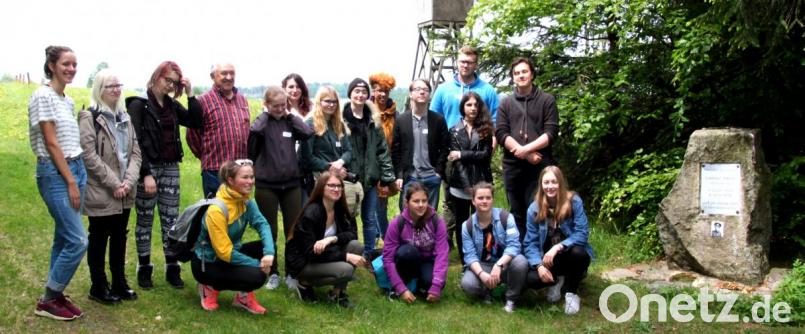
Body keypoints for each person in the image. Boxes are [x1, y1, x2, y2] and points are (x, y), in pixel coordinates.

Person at [128, 61, 203, 289]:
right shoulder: (139, 104)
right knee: (145, 219)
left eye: (174, 82)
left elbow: (195, 121)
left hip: (170, 167)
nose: (169, 85)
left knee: (171, 220)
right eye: (166, 79)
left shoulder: (171, 105)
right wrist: (145, 174)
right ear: (156, 76)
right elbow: (135, 142)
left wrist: (190, 94)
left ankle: (172, 268)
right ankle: (144, 269)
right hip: (148, 168)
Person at [29, 45, 88, 321]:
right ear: (51, 65)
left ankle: (55, 293)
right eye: (66, 64)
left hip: (76, 167)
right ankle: (48, 299)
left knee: (63, 237)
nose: (71, 69)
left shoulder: (67, 100)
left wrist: (78, 175)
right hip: (56, 172)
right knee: (78, 240)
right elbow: (52, 144)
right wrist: (71, 182)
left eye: (74, 64)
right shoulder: (43, 96)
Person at [79, 69, 142, 304]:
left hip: (125, 190)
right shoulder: (89, 117)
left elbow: (135, 152)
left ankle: (119, 281)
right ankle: (98, 285)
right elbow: (89, 155)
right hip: (102, 190)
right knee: (99, 236)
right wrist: (115, 183)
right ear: (99, 89)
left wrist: (128, 181)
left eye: (118, 85)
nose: (116, 89)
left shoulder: (125, 117)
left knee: (119, 236)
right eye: (110, 86)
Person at [430, 45, 500, 251]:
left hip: (479, 154)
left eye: (469, 62)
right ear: (457, 62)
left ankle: (482, 245)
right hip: (451, 154)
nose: (465, 65)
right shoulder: (444, 89)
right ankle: (448, 242)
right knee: (451, 201)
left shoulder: (486, 90)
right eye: (462, 61)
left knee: (480, 203)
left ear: (476, 64)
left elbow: (495, 122)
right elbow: (435, 119)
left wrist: (489, 150)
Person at [247, 86, 313, 290]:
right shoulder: (263, 123)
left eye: (282, 105)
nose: (279, 109)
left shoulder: (289, 122)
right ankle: (273, 271)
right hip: (267, 185)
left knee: (293, 229)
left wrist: (290, 115)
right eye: (275, 106)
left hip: (291, 184)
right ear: (266, 105)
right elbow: (254, 131)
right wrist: (266, 114)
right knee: (270, 229)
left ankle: (292, 272)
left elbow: (307, 132)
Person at [192, 160, 274, 314]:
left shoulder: (245, 200)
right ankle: (207, 286)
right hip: (208, 263)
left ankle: (243, 297)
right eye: (245, 177)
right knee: (258, 276)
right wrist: (257, 264)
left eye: (252, 177)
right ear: (230, 180)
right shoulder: (216, 210)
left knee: (266, 248)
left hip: (229, 256)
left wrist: (269, 253)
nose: (250, 182)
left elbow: (263, 224)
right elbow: (224, 252)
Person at [496, 57, 559, 242]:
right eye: (516, 73)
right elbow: (501, 133)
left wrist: (527, 150)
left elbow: (551, 132)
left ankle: (540, 255)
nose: (521, 75)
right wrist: (525, 153)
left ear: (532, 73)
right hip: (513, 167)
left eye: (524, 71)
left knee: (538, 210)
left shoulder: (546, 100)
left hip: (539, 167)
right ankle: (520, 256)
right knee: (517, 213)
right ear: (512, 77)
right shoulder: (505, 103)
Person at [285, 172, 365, 308]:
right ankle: (303, 283)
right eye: (331, 186)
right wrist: (345, 256)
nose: (337, 189)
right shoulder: (311, 213)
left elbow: (352, 234)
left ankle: (337, 294)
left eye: (339, 186)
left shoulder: (338, 208)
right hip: (304, 262)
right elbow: (310, 253)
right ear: (322, 188)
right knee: (345, 269)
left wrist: (332, 239)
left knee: (356, 246)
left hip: (325, 253)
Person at [523, 166, 594, 315]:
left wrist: (557, 247)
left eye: (554, 182)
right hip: (548, 259)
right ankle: (556, 281)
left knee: (579, 253)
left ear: (560, 183)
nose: (550, 186)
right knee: (531, 279)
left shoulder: (574, 201)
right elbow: (530, 243)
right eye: (546, 182)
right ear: (541, 185)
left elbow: (582, 233)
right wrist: (538, 266)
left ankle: (572, 292)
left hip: (570, 254)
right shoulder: (534, 208)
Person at [342, 78, 395, 257]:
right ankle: (353, 252)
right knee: (349, 218)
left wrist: (387, 177)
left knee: (369, 218)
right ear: (350, 94)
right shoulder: (341, 120)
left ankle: (370, 253)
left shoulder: (373, 120)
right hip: (349, 178)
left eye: (364, 91)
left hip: (371, 178)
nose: (360, 95)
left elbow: (382, 151)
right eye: (356, 91)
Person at [460, 182, 527, 313]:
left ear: (492, 200)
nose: (484, 201)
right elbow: (469, 256)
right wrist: (482, 274)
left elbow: (514, 245)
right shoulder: (466, 226)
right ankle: (486, 291)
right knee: (468, 284)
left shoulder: (506, 217)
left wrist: (499, 265)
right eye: (480, 198)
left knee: (521, 262)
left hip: (505, 263)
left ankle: (511, 298)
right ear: (473, 201)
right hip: (483, 264)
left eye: (488, 198)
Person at [187, 63, 251, 198]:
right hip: (214, 171)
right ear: (213, 76)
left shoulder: (243, 100)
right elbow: (192, 136)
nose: (229, 77)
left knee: (240, 213)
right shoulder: (203, 101)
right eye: (224, 73)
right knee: (217, 213)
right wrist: (206, 156)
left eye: (232, 73)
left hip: (240, 170)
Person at [382, 183, 449, 304]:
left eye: (424, 201)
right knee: (407, 252)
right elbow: (388, 259)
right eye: (416, 201)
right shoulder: (397, 223)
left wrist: (436, 285)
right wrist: (401, 289)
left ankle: (418, 285)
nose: (421, 205)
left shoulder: (437, 222)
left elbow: (442, 254)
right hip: (406, 260)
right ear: (407, 203)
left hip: (427, 261)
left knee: (431, 283)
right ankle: (399, 286)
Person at [447, 92, 494, 264]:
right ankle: (465, 258)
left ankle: (482, 254)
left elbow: (485, 155)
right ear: (463, 107)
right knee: (461, 223)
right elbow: (455, 161)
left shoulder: (486, 130)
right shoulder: (454, 130)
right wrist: (467, 185)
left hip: (482, 182)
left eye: (475, 105)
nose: (473, 108)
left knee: (482, 221)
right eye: (469, 105)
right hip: (460, 184)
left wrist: (462, 154)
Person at [391, 79, 449, 211]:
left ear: (429, 95)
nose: (422, 92)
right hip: (410, 177)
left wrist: (439, 172)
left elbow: (445, 147)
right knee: (407, 218)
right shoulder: (401, 120)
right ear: (410, 94)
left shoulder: (438, 120)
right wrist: (399, 175)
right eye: (417, 89)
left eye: (426, 90)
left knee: (429, 219)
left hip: (432, 177)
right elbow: (396, 150)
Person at [298, 86, 352, 189]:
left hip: (339, 178)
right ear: (319, 102)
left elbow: (348, 150)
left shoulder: (338, 124)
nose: (331, 105)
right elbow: (306, 157)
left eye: (334, 101)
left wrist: (340, 162)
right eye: (327, 101)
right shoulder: (310, 125)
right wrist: (330, 167)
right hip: (317, 180)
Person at [368, 72, 398, 239]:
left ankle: (385, 237)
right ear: (373, 91)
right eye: (379, 90)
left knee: (381, 204)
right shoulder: (366, 111)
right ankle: (381, 236)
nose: (382, 94)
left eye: (386, 91)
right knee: (370, 204)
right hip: (369, 165)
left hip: (387, 165)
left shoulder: (394, 114)